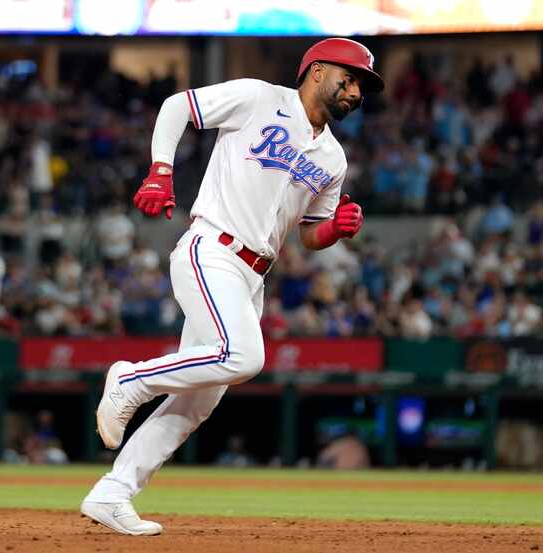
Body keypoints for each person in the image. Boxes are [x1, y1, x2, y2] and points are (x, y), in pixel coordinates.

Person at [80, 37, 382, 535]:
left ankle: (114, 492)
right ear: (316, 71)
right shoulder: (260, 98)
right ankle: (130, 380)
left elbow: (309, 236)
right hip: (212, 248)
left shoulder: (332, 158)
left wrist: (335, 231)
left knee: (199, 401)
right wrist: (161, 169)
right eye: (348, 79)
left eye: (361, 87)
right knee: (244, 357)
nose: (355, 92)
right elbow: (178, 105)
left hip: (253, 275)